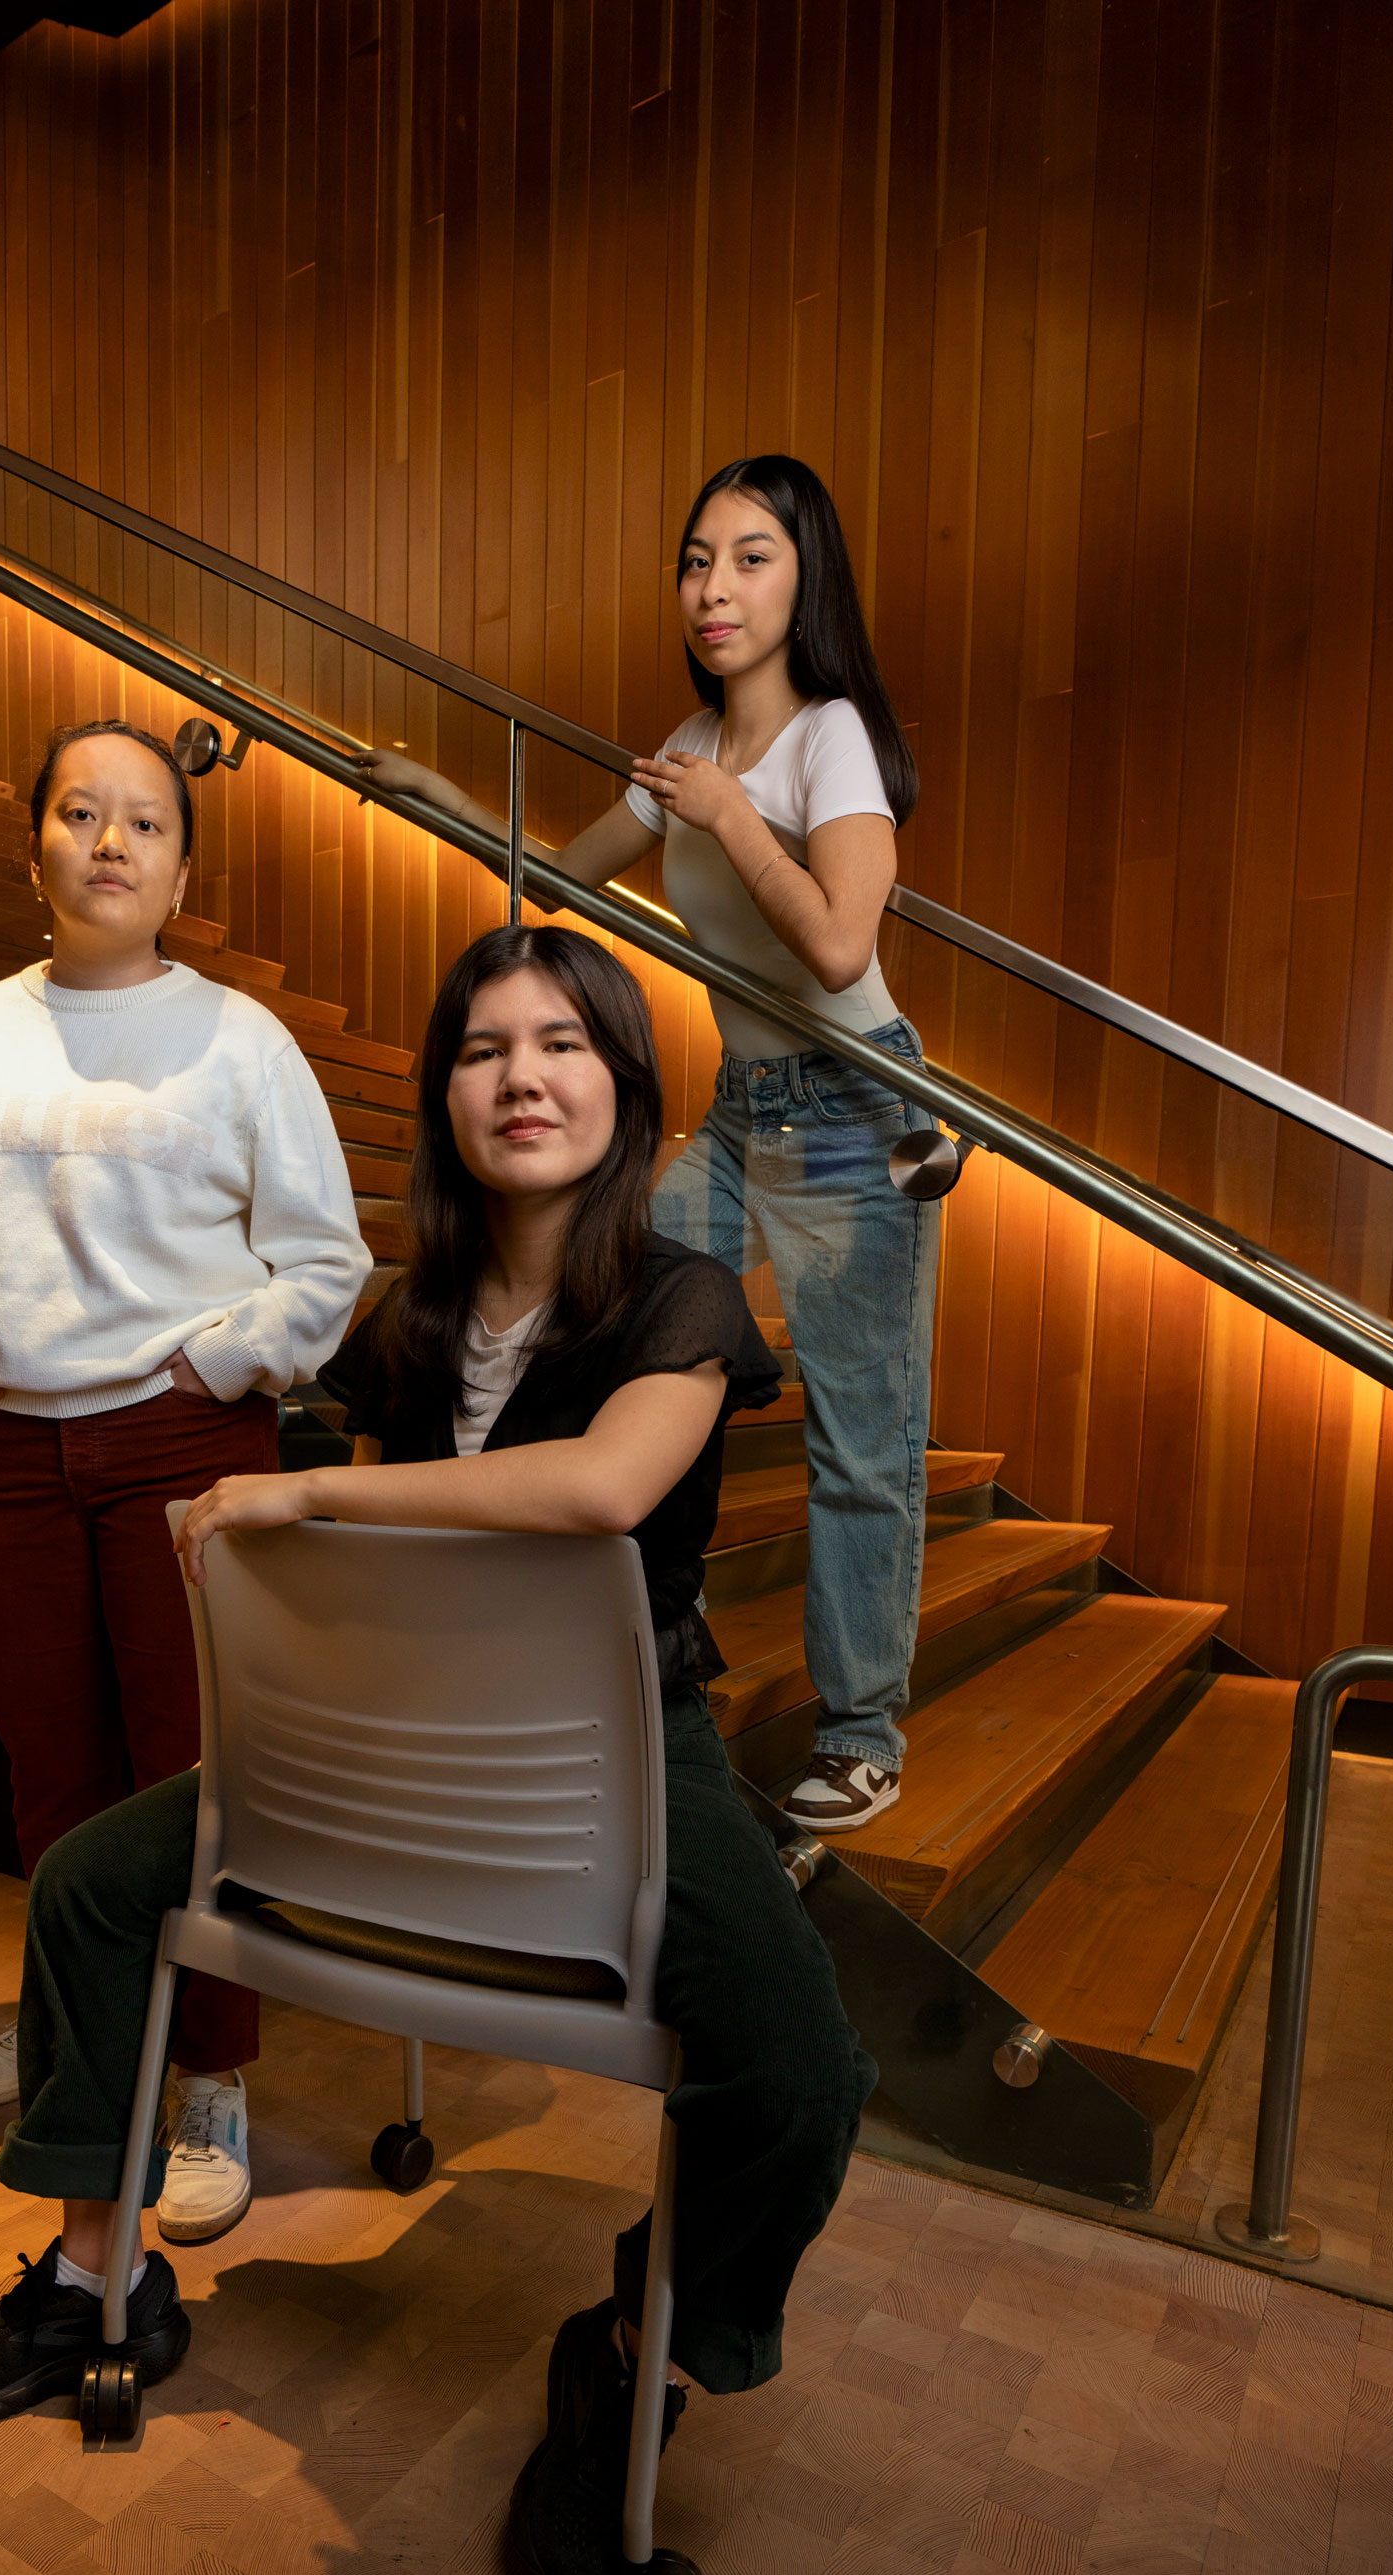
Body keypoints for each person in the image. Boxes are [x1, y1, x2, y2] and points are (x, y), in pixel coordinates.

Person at [0, 923, 875, 2575]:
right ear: (444, 1096)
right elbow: (285, 1479)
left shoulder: (684, 1299)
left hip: (620, 1752)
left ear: (625, 1088)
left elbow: (601, 1490)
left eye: (564, 1044)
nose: (523, 1078)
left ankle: (629, 2366)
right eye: (486, 1048)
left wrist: (309, 1502)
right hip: (383, 1743)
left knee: (802, 2068)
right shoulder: (402, 1316)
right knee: (93, 1886)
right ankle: (93, 2279)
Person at [360, 456, 933, 1833]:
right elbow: (566, 878)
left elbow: (842, 940)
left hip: (858, 1116)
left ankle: (862, 1734)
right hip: (743, 1108)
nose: (715, 587)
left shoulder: (830, 739)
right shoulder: (689, 741)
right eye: (696, 560)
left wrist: (733, 816)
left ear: (805, 580)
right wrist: (441, 795)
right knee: (603, 1304)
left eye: (751, 557)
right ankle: (581, 1625)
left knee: (861, 1440)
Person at [0, 719, 371, 2242]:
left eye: (142, 822)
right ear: (35, 847)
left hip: (181, 1445)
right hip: (6, 1449)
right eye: (79, 812)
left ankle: (208, 2072)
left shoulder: (242, 1039)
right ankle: (78, 2030)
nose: (109, 842)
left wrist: (212, 1371)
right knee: (50, 1766)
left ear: (180, 865)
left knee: (192, 1773)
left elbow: (326, 1261)